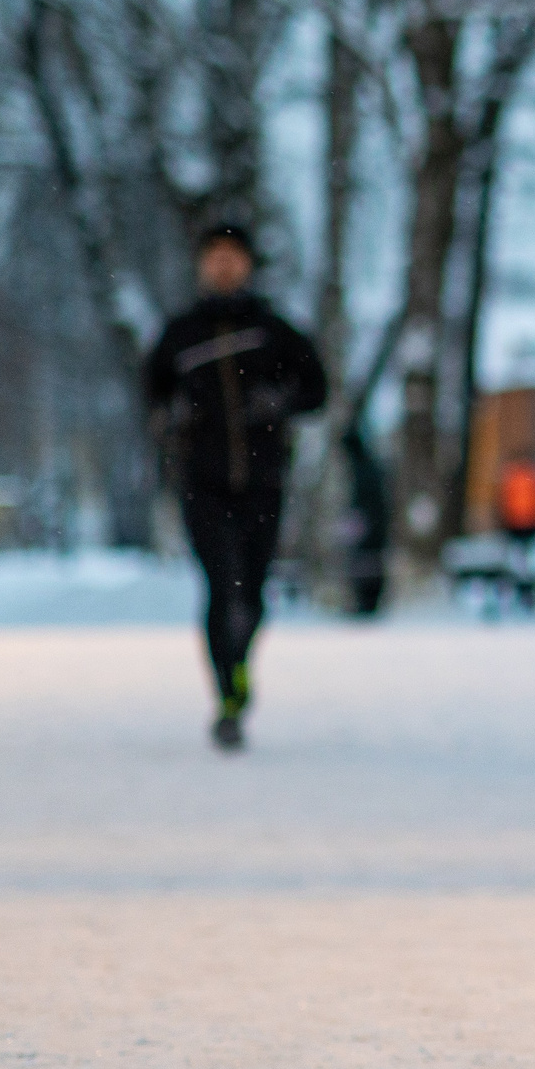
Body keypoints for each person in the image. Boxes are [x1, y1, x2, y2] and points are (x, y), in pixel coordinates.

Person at [143, 224, 329, 750]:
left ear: (247, 265)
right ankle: (226, 694)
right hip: (202, 482)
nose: (224, 267)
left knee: (253, 590)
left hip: (264, 482)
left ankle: (240, 663)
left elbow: (317, 390)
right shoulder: (180, 334)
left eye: (234, 257)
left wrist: (279, 402)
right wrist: (172, 418)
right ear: (203, 266)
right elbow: (153, 395)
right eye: (215, 257)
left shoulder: (273, 331)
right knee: (222, 584)